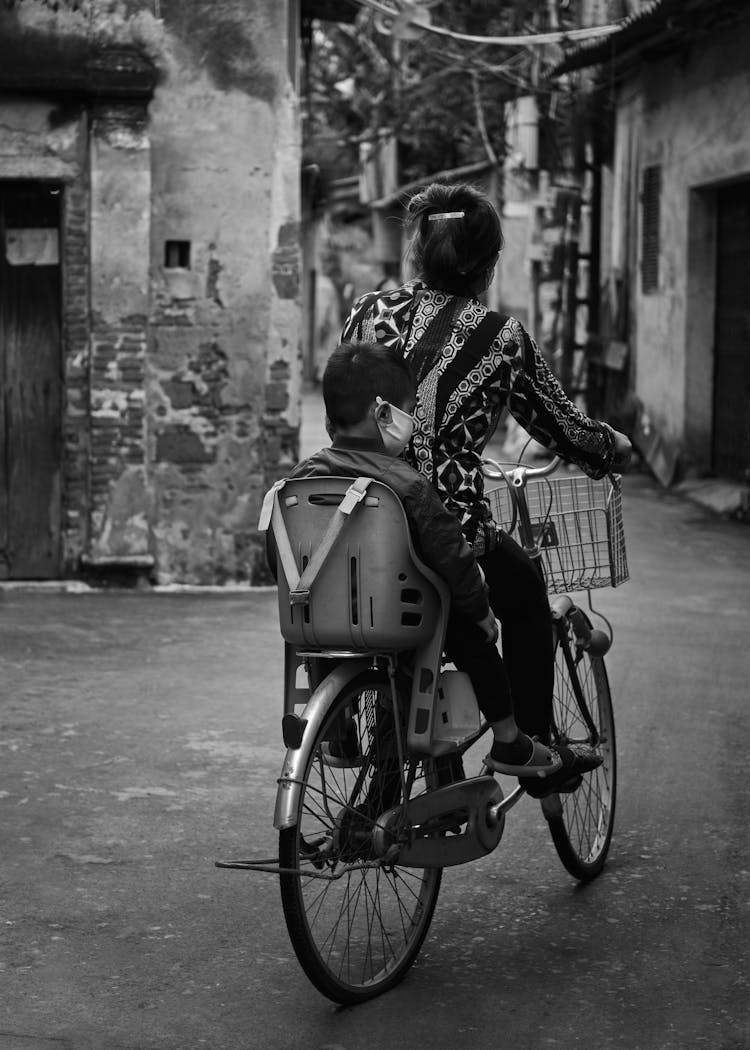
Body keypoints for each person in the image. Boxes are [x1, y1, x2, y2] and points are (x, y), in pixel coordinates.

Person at [340, 182, 631, 794]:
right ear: (487, 264)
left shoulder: (367, 311)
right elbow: (561, 426)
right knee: (523, 589)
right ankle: (528, 742)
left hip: (359, 513)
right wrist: (610, 447)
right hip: (443, 525)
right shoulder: (500, 337)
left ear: (420, 251)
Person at [289, 340, 603, 792]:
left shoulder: (303, 478)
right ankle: (510, 738)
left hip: (325, 618)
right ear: (384, 416)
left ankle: (350, 742)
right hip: (402, 618)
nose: (412, 422)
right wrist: (480, 610)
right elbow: (454, 556)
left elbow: (280, 551)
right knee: (473, 633)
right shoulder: (406, 485)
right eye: (409, 410)